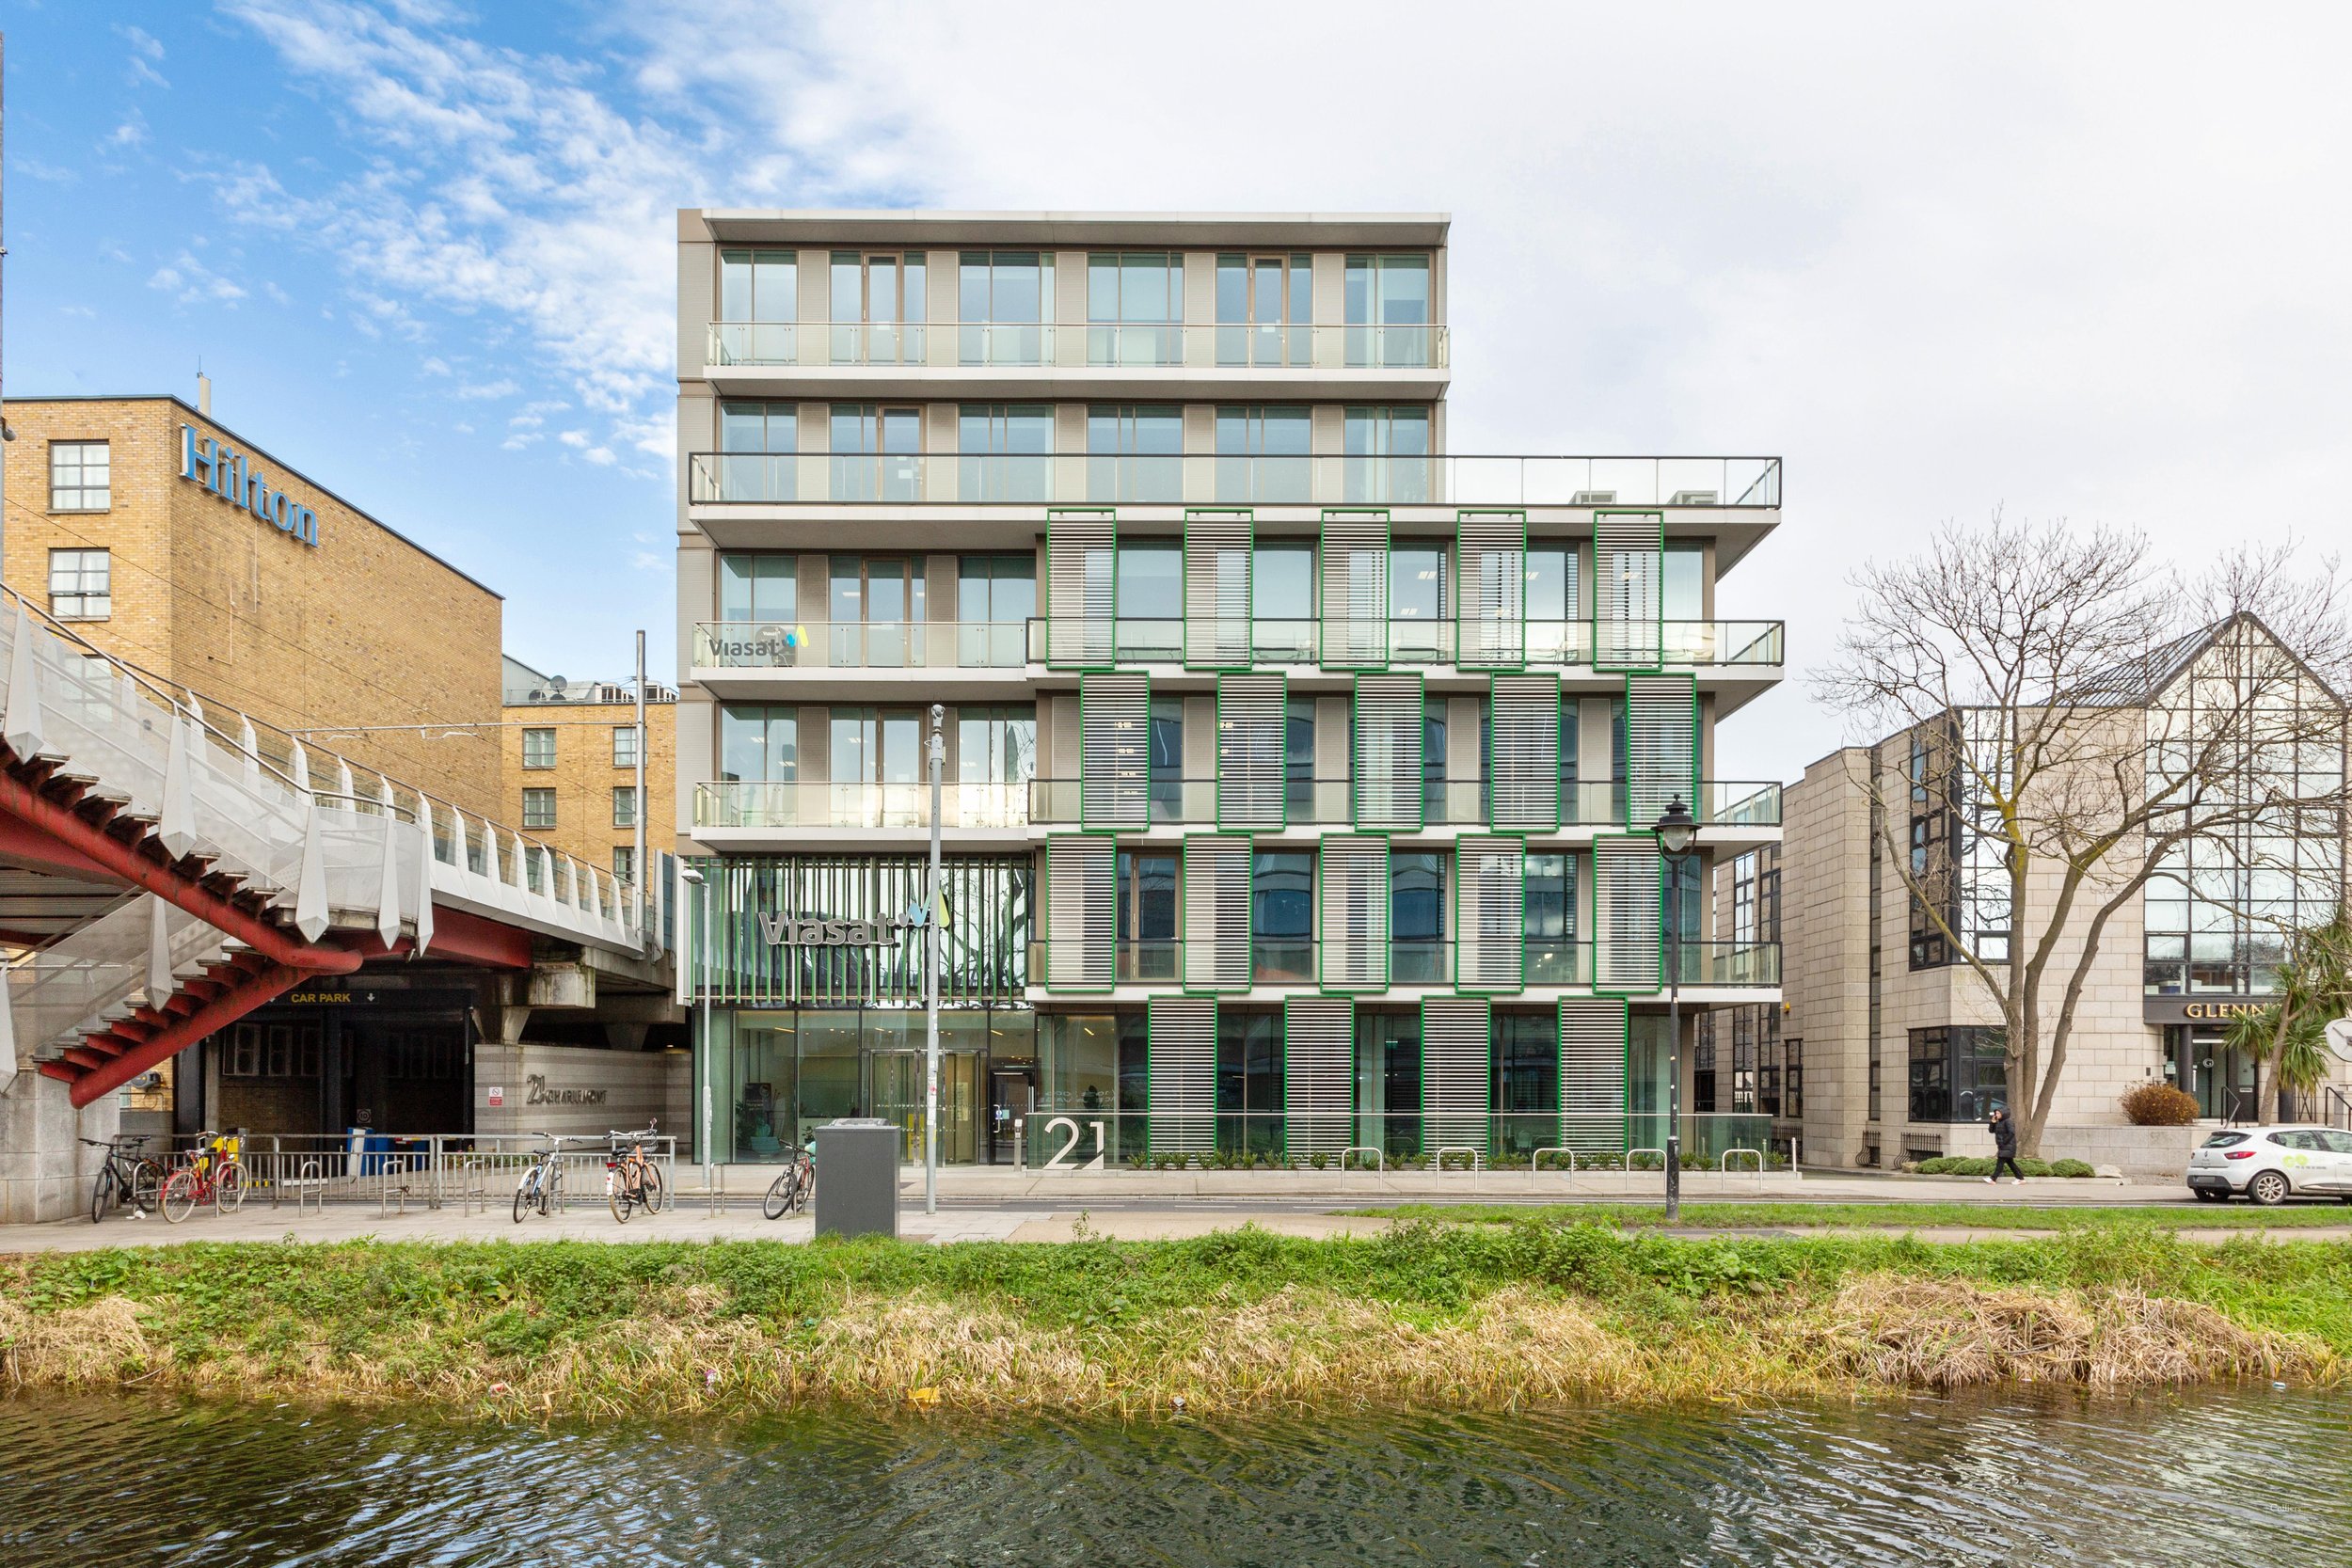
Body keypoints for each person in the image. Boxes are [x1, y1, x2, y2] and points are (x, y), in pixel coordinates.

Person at [1985, 1106, 2025, 1183]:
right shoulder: (1998, 1122)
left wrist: (2004, 1142)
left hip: (2008, 1145)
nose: (1996, 1115)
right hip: (2003, 1146)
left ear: (2003, 1113)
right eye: (1996, 1113)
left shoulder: (2008, 1121)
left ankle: (1993, 1179)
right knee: (2010, 1163)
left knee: (2000, 1163)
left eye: (1998, 1113)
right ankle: (2020, 1178)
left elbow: (2012, 1133)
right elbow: (1991, 1131)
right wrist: (1992, 1123)